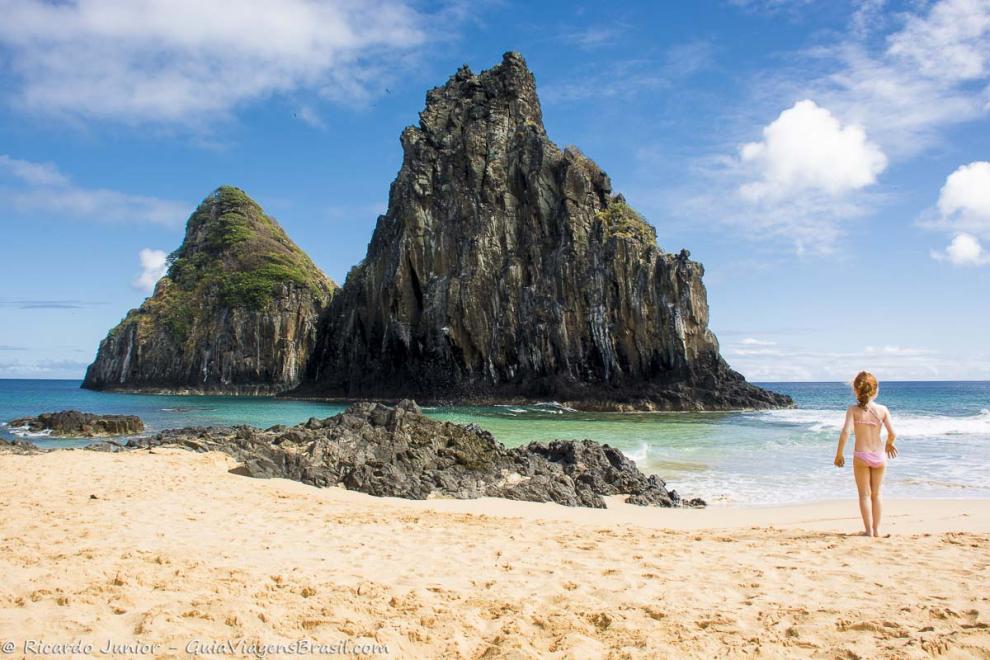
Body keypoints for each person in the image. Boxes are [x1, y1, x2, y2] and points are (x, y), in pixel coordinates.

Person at [834, 371, 898, 537]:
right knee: (877, 494)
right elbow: (893, 433)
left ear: (856, 390)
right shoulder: (883, 409)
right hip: (879, 456)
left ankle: (868, 531)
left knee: (864, 495)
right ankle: (877, 530)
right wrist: (889, 444)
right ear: (875, 391)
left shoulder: (853, 410)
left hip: (861, 456)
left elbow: (845, 433)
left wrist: (839, 454)